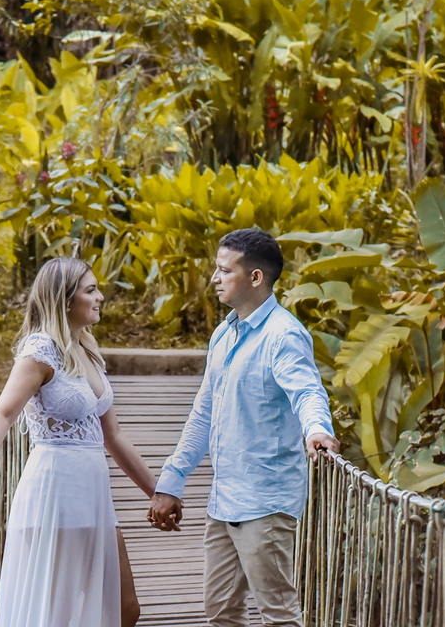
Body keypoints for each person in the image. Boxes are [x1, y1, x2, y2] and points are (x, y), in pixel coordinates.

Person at [146, 228, 338, 627]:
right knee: (220, 614)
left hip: (266, 504)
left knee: (278, 616)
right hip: (223, 502)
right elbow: (203, 412)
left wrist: (317, 430)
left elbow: (307, 391)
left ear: (255, 278)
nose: (214, 279)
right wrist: (172, 480)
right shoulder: (224, 333)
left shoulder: (283, 336)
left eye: (223, 270)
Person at [0, 257, 156, 627]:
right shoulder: (40, 350)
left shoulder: (87, 350)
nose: (100, 297)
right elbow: (3, 412)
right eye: (90, 290)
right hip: (56, 494)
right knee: (55, 613)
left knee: (124, 608)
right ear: (65, 300)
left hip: (95, 495)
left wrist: (158, 492)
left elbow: (112, 436)